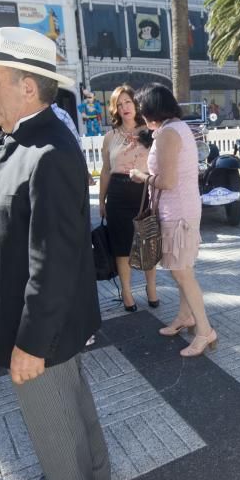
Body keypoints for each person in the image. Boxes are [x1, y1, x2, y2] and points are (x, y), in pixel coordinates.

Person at [0, 27, 109, 480]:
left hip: (40, 321)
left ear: (27, 87)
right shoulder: (22, 135)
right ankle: (93, 473)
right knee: (70, 397)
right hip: (39, 316)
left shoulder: (49, 150)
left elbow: (55, 258)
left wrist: (31, 343)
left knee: (49, 407)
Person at [129, 84, 216, 357]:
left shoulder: (167, 133)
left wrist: (141, 176)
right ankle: (185, 316)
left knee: (181, 272)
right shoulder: (177, 128)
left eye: (142, 109)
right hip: (183, 208)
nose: (141, 115)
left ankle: (205, 330)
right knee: (182, 267)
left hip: (177, 211)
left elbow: (166, 181)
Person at [99, 84, 158, 311]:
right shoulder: (110, 137)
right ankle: (126, 291)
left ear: (136, 104)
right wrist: (102, 201)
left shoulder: (150, 132)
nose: (124, 107)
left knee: (148, 243)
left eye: (128, 102)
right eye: (119, 104)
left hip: (144, 193)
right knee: (122, 247)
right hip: (117, 195)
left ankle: (151, 288)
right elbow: (105, 170)